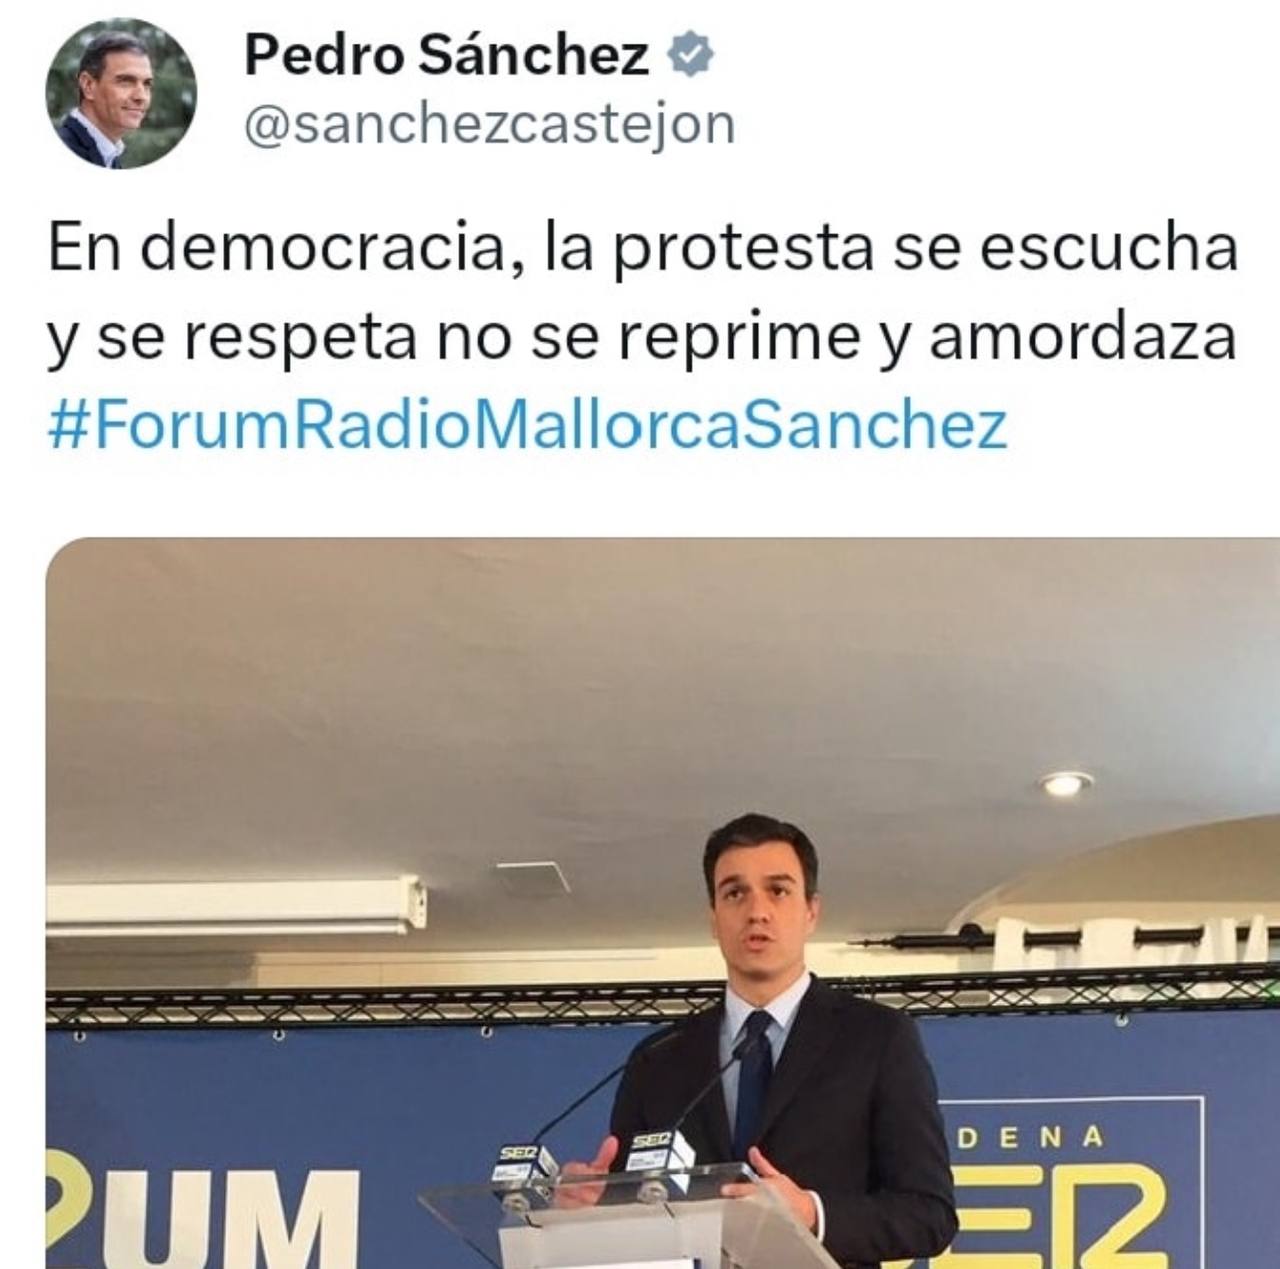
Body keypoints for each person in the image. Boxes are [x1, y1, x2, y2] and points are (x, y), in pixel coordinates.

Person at [564, 812, 957, 1268]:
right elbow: (633, 1209)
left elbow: (930, 1215)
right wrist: (591, 1205)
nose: (757, 911)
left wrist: (812, 1213)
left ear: (811, 912)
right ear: (714, 918)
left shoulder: (877, 1037)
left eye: (778, 890)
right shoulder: (658, 1058)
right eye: (735, 893)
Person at [56, 32, 153, 168]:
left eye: (147, 84)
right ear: (88, 85)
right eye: (126, 81)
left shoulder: (109, 156)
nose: (141, 96)